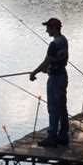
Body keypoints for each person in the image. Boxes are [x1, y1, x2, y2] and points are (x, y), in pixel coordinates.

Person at [30, 18, 69, 148]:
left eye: (48, 28)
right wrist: (48, 69)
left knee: (53, 108)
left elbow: (46, 61)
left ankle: (52, 137)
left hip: (55, 80)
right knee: (62, 107)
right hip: (62, 75)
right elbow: (57, 61)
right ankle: (63, 136)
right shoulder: (64, 41)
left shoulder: (54, 44)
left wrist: (34, 73)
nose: (46, 30)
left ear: (54, 28)